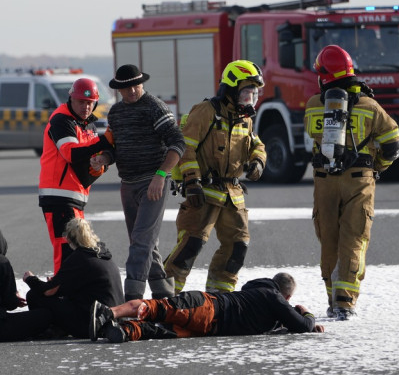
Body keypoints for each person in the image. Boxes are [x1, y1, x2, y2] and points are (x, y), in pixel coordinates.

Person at [304, 45, 399, 320]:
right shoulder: (371, 106)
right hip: (359, 179)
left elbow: (314, 139)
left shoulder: (313, 105)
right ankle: (345, 303)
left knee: (329, 240)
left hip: (324, 180)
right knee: (354, 239)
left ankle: (331, 299)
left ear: (324, 76)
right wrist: (377, 166)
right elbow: (393, 145)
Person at [164, 61, 267, 295]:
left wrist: (258, 162)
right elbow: (185, 147)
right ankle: (166, 298)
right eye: (246, 92)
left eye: (254, 93)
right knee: (190, 247)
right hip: (203, 193)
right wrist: (192, 182)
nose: (250, 98)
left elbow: (257, 144)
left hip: (233, 195)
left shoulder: (245, 118)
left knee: (237, 247)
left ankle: (220, 297)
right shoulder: (206, 111)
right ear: (230, 89)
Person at [93, 64, 186, 300]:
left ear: (142, 83)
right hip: (128, 183)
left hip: (153, 183)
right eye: (127, 87)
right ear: (119, 90)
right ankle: (164, 293)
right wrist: (104, 158)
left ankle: (132, 298)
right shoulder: (115, 113)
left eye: (136, 85)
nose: (132, 90)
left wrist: (161, 175)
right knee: (143, 242)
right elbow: (115, 149)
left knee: (141, 241)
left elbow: (177, 143)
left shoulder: (154, 107)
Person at [89, 272, 323, 343]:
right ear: (287, 295)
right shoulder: (273, 298)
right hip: (208, 308)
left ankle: (119, 331)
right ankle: (109, 313)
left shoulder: (258, 294)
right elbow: (302, 325)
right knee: (156, 308)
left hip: (208, 325)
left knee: (159, 329)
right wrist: (306, 313)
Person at [38, 77, 111, 272]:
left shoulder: (87, 124)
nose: (86, 107)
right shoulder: (61, 120)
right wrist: (104, 142)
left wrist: (102, 163)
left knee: (77, 251)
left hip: (75, 198)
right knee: (65, 251)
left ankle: (69, 294)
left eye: (90, 103)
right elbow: (71, 153)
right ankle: (60, 296)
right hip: (58, 198)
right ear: (71, 99)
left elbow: (90, 157)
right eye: (81, 102)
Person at [21, 217, 125, 339]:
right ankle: (61, 328)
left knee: (33, 295)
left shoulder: (79, 257)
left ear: (69, 238)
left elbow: (48, 291)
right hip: (115, 318)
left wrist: (30, 279)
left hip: (92, 324)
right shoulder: (103, 254)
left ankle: (52, 329)